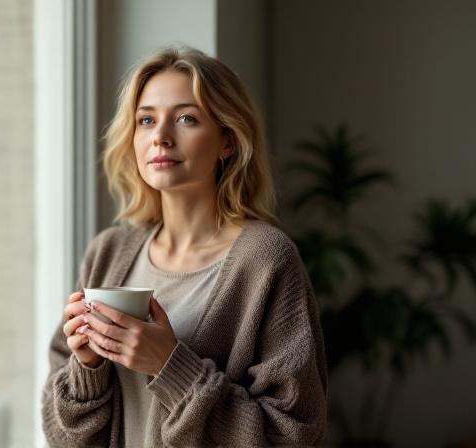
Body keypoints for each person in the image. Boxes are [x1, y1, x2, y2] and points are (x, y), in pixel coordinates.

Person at [41, 46, 327, 447]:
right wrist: (88, 367)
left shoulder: (265, 261)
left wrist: (169, 366)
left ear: (227, 141)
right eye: (146, 120)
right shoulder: (108, 253)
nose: (160, 137)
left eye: (186, 119)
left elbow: (292, 435)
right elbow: (63, 437)